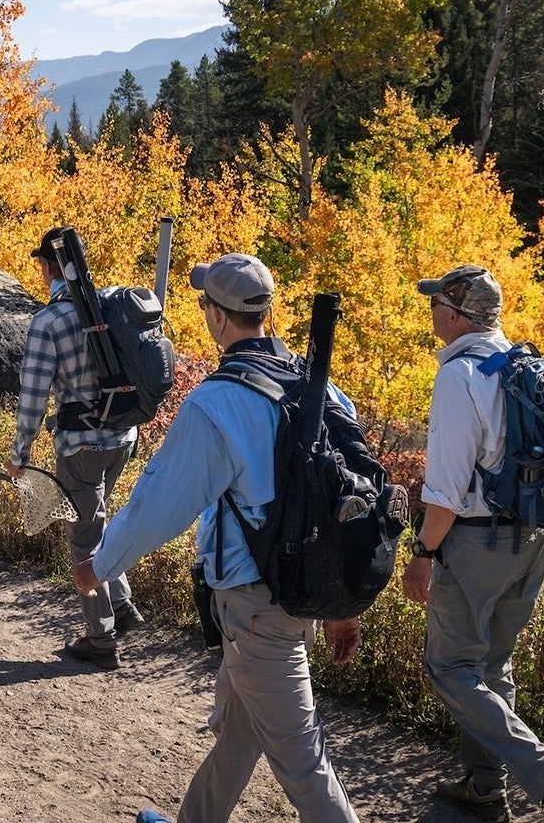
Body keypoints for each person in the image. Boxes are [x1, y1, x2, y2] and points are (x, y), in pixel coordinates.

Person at [75, 253, 366, 823]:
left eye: (205, 302)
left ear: (216, 316)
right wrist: (340, 605)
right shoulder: (323, 389)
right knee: (237, 733)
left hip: (255, 609)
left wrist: (99, 566)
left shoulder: (218, 402)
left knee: (304, 763)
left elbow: (157, 505)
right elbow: (341, 505)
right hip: (292, 594)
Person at [401, 265, 544, 823]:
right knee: (493, 666)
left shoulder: (459, 376)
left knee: (450, 668)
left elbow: (445, 489)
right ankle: (484, 785)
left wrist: (423, 553)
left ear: (456, 314)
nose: (431, 312)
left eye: (436, 303)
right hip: (533, 539)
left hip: (473, 543)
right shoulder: (521, 365)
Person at [7, 226, 145, 670]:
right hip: (123, 437)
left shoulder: (48, 322)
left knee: (83, 537)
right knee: (97, 525)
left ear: (48, 267)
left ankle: (100, 639)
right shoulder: (112, 306)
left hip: (80, 445)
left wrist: (20, 453)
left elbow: (33, 396)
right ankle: (120, 605)